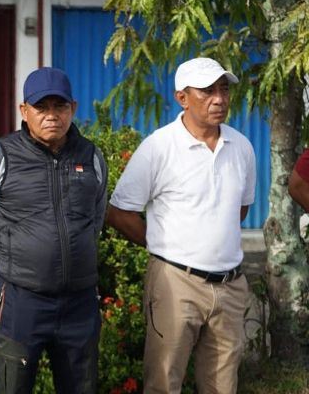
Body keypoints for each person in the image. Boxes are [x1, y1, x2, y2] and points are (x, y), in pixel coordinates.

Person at [106, 57, 256, 394]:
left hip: (230, 285)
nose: (219, 99)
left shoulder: (242, 147)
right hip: (175, 283)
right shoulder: (159, 147)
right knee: (163, 382)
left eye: (223, 90)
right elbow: (119, 212)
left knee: (222, 386)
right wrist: (164, 247)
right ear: (182, 98)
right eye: (207, 91)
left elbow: (239, 210)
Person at [0, 67, 107, 394]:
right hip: (21, 303)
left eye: (59, 107)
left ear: (73, 109)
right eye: (41, 107)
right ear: (24, 111)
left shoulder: (91, 157)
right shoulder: (1, 156)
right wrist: (10, 264)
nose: (51, 116)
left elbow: (96, 218)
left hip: (79, 304)